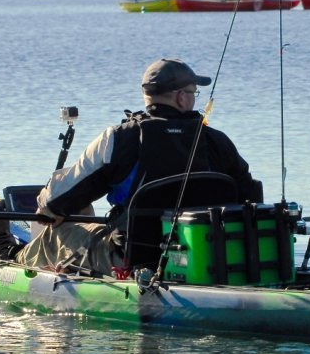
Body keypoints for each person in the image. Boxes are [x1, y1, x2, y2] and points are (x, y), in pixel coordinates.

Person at [15, 58, 255, 277]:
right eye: (194, 93)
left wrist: (46, 205)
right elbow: (250, 197)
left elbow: (56, 201)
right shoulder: (217, 141)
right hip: (208, 256)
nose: (194, 99)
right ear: (181, 97)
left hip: (131, 259)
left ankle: (9, 261)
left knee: (54, 233)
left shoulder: (120, 138)